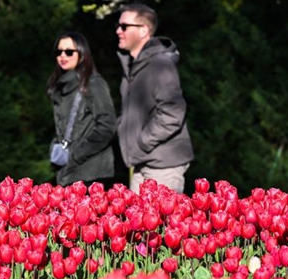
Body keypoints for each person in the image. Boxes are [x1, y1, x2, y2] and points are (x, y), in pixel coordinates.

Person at [115, 3, 194, 194]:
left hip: (163, 165)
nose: (118, 31)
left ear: (143, 30)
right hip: (142, 163)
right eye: (118, 26)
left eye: (124, 26)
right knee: (134, 223)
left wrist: (141, 142)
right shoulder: (134, 66)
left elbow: (172, 114)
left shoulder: (160, 64)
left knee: (161, 224)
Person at [47, 32, 117, 188]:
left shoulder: (93, 84)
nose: (63, 56)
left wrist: (76, 154)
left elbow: (107, 126)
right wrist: (55, 147)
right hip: (67, 172)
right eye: (59, 52)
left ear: (82, 53)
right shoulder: (59, 86)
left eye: (69, 52)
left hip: (92, 174)